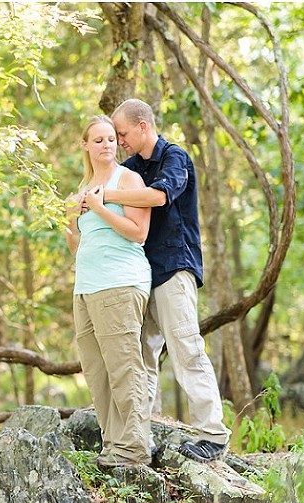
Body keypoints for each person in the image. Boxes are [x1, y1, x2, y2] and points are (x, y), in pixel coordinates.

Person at [106, 98, 231, 462]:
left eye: (123, 133)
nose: (119, 140)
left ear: (143, 126)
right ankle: (138, 437)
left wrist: (107, 195)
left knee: (186, 348)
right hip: (140, 273)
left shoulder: (175, 158)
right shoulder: (129, 168)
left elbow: (159, 196)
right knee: (142, 356)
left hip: (175, 266)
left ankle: (213, 435)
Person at [65, 115, 152, 467]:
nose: (106, 145)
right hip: (85, 286)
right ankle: (112, 445)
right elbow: (78, 245)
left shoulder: (128, 179)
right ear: (85, 145)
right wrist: (71, 220)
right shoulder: (82, 187)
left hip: (120, 282)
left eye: (111, 139)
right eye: (98, 140)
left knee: (124, 367)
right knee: (97, 371)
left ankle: (133, 449)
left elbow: (138, 232)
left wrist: (100, 208)